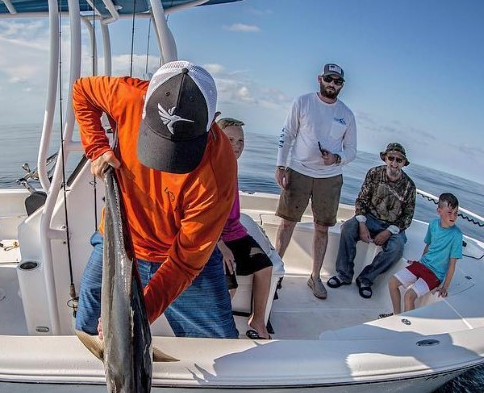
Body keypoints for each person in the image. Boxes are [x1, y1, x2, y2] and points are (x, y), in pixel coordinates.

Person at [72, 61, 238, 339]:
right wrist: (97, 147)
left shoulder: (218, 171)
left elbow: (185, 263)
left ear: (214, 119)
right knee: (87, 330)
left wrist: (137, 315)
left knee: (219, 346)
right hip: (118, 240)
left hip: (179, 257)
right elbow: (82, 92)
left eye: (181, 147)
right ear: (145, 99)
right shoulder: (128, 95)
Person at [274, 63, 357, 300]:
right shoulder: (302, 102)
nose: (332, 84)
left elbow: (351, 150)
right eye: (329, 79)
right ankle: (276, 271)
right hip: (298, 172)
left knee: (322, 229)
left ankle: (315, 276)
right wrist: (281, 166)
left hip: (329, 179)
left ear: (342, 85)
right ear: (320, 78)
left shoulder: (347, 114)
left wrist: (336, 158)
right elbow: (287, 134)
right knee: (287, 223)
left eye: (337, 81)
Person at [327, 142, 416, 298]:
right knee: (348, 228)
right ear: (385, 159)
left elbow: (407, 217)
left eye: (399, 160)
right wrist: (362, 224)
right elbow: (361, 200)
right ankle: (344, 275)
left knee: (397, 248)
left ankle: (366, 279)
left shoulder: (409, 186)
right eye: (391, 158)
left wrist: (388, 232)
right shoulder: (373, 173)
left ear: (403, 163)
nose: (394, 163)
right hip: (369, 218)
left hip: (393, 226)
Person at [215, 117, 274, 340]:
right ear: (218, 139)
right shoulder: (213, 167)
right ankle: (219, 328)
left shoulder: (232, 164)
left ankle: (257, 320)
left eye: (241, 141)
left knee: (265, 267)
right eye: (230, 139)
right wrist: (221, 246)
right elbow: (203, 215)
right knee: (230, 287)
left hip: (234, 231)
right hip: (214, 237)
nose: (237, 146)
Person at [388, 192, 463, 315]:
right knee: (392, 282)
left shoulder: (457, 235)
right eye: (449, 212)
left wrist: (445, 287)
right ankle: (396, 316)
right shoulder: (433, 224)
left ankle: (406, 327)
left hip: (435, 274)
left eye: (456, 213)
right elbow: (428, 246)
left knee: (409, 296)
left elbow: (452, 265)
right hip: (422, 265)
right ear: (439, 211)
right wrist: (419, 262)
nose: (453, 216)